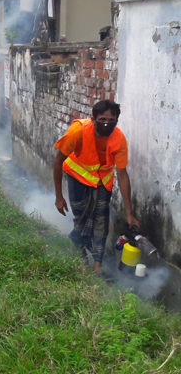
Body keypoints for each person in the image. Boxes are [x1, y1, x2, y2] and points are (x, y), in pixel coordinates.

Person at [53, 100, 139, 271]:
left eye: (111, 120)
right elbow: (58, 162)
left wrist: (129, 213)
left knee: (101, 219)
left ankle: (97, 264)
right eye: (102, 119)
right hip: (77, 177)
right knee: (81, 218)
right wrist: (59, 197)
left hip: (102, 181)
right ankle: (80, 254)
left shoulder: (119, 139)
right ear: (93, 119)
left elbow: (122, 175)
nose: (106, 123)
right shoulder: (77, 132)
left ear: (116, 120)